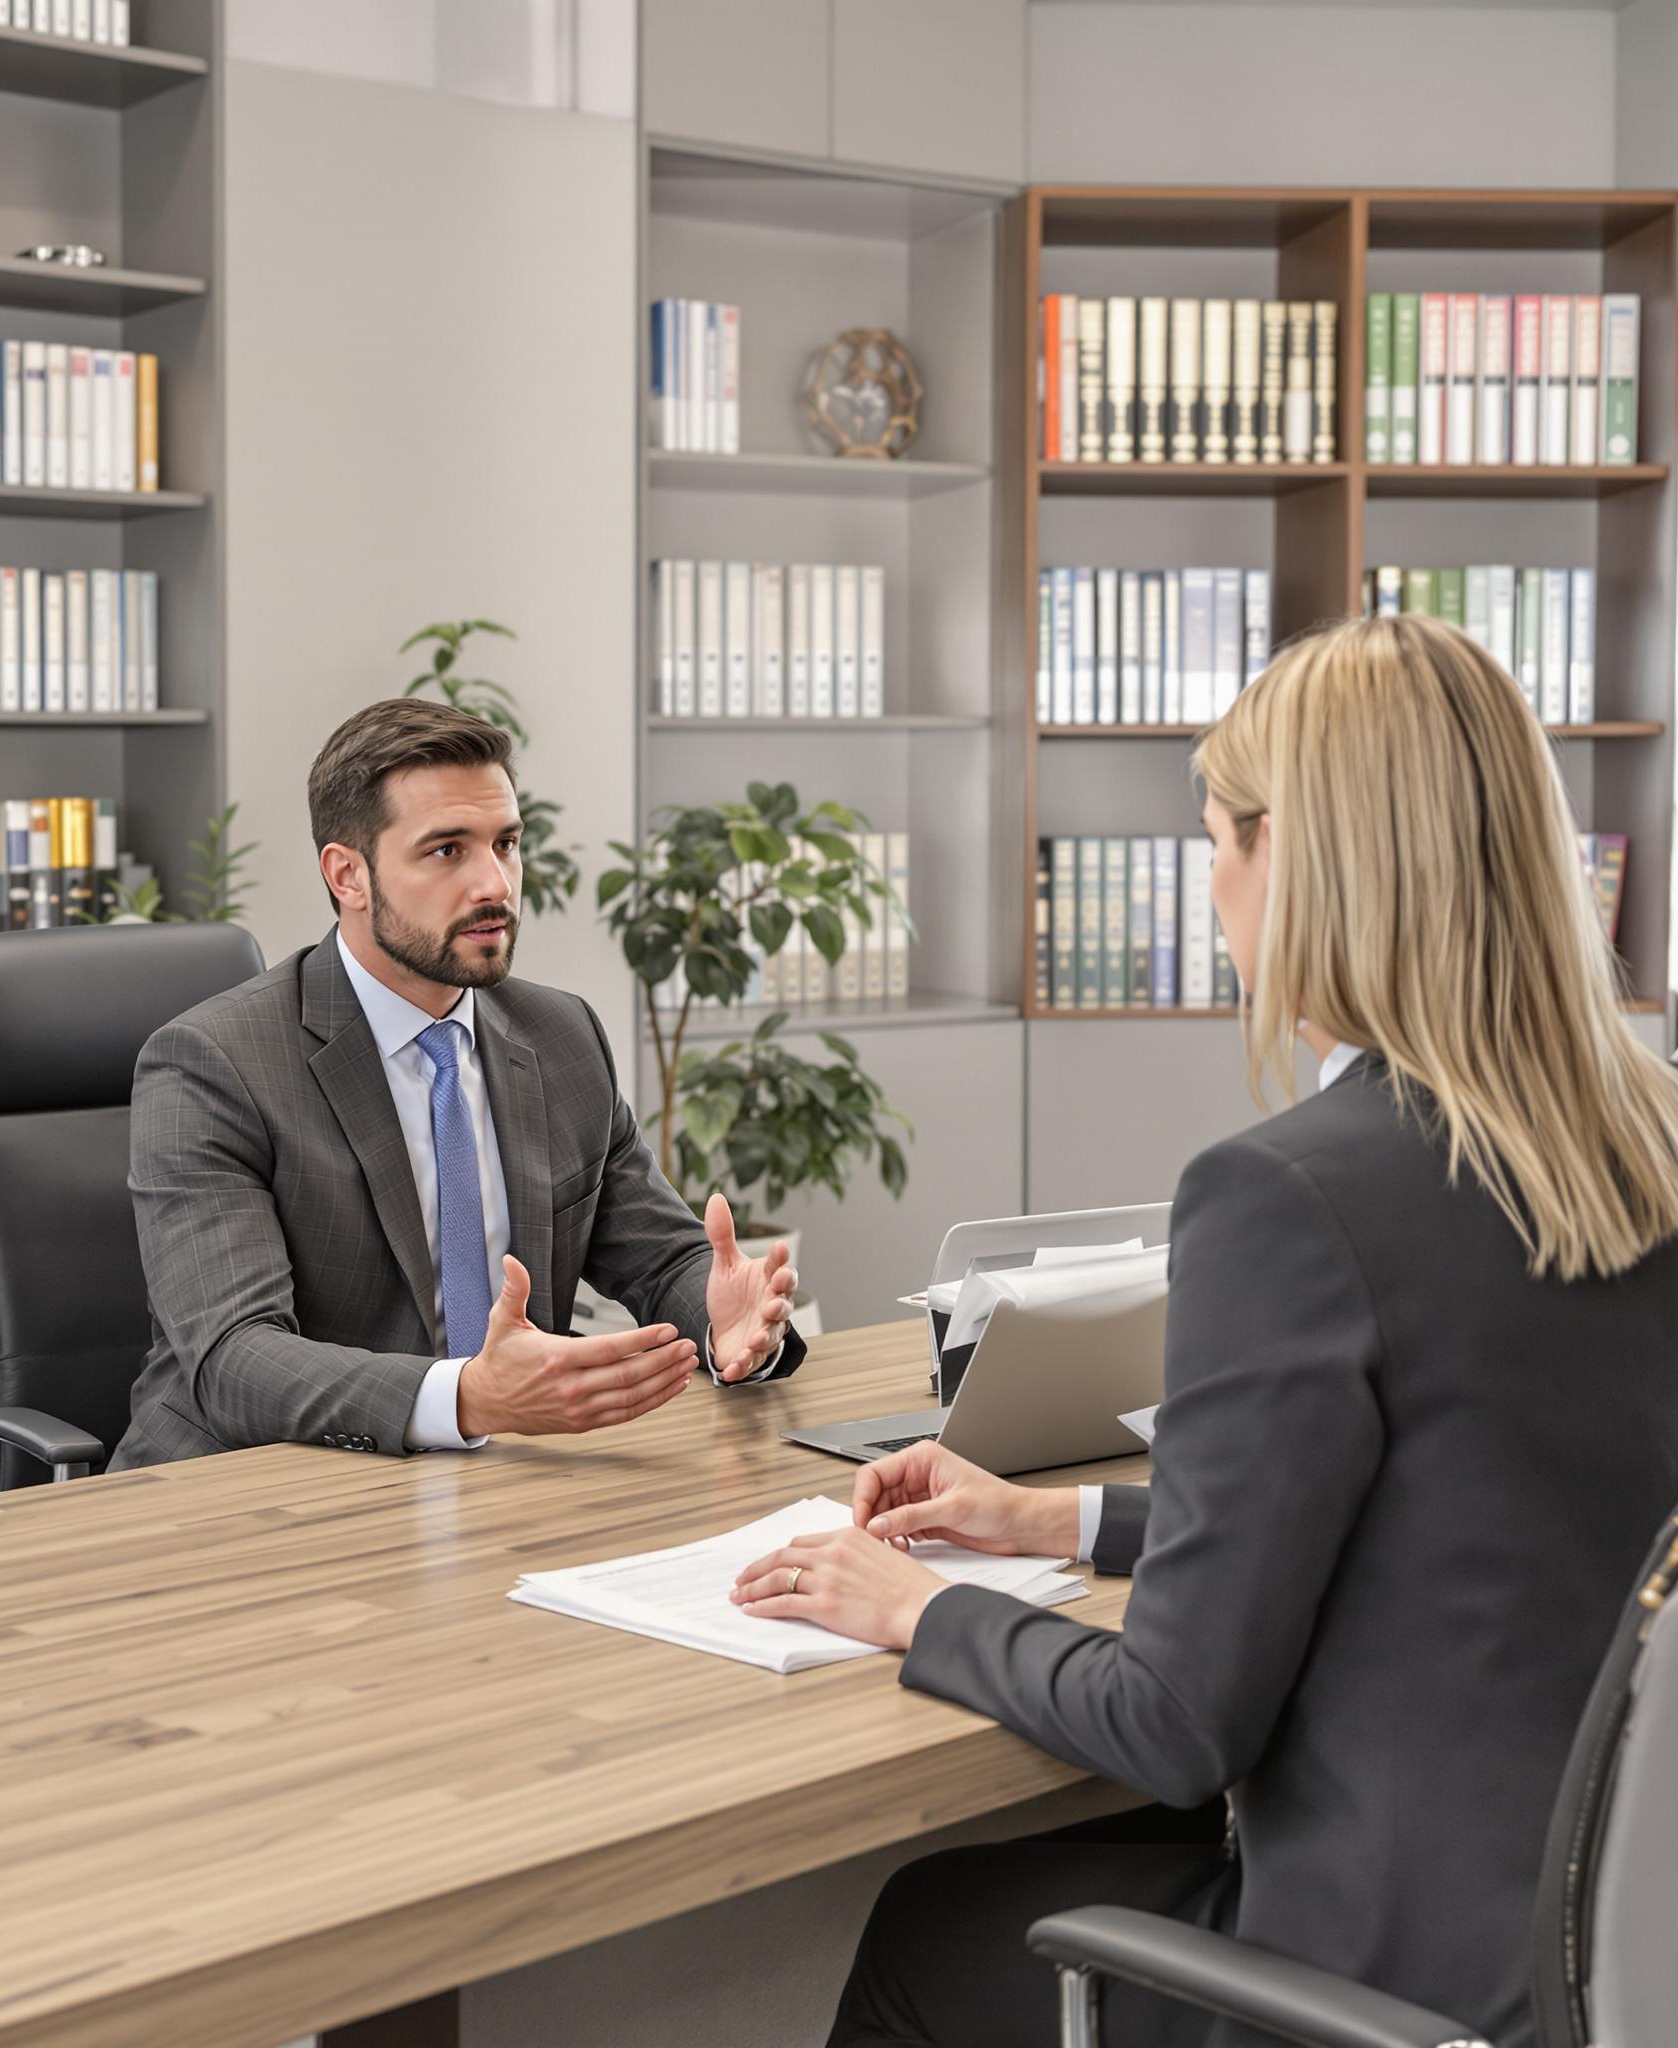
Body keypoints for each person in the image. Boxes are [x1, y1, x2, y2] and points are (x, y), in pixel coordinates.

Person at [731, 614, 1678, 2046]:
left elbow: (1172, 1721)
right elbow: (1466, 1523)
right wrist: (1068, 1529)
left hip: (1391, 1983)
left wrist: (915, 1605)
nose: (1216, 885)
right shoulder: (1642, 1146)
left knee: (929, 1930)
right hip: (1597, 1958)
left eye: (1217, 839)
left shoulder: (1290, 1196)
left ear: (1295, 855)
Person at [109, 697, 803, 1470]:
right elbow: (233, 1360)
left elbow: (660, 1259)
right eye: (447, 851)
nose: (494, 885)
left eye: (506, 844)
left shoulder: (561, 1036)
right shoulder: (213, 1064)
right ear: (349, 876)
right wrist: (466, 1396)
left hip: (499, 1481)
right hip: (254, 1493)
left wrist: (720, 1320)